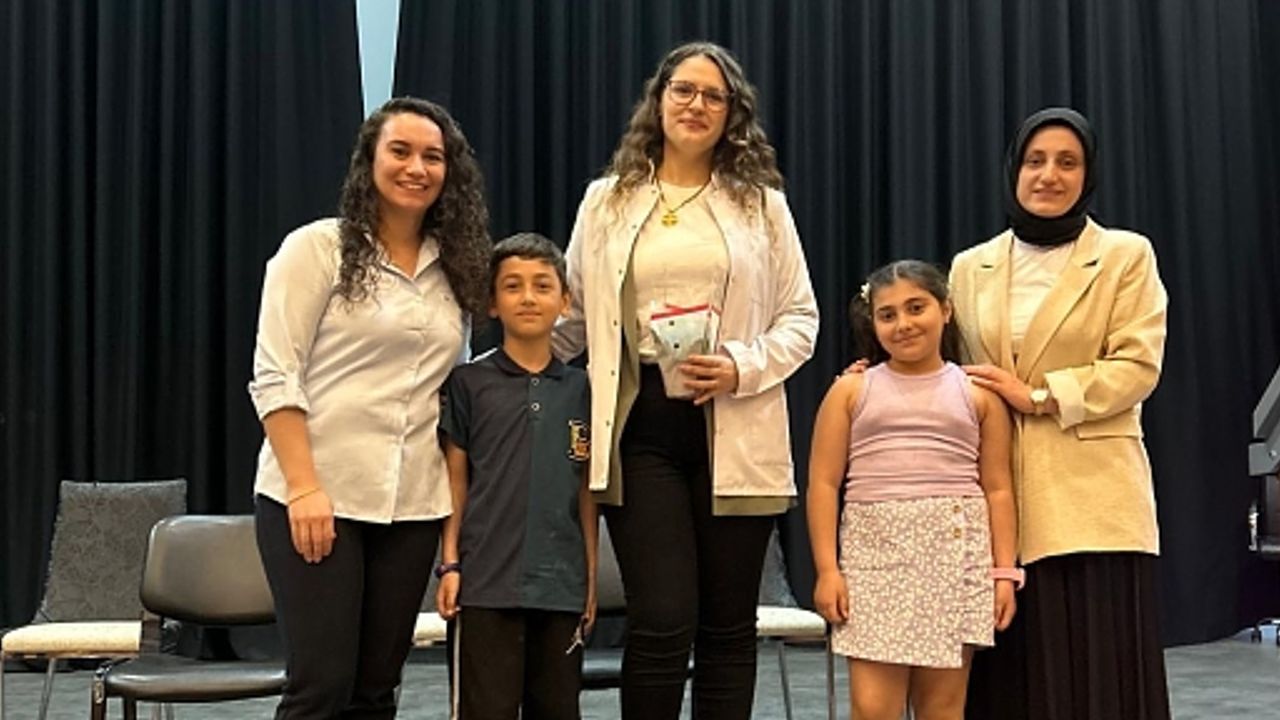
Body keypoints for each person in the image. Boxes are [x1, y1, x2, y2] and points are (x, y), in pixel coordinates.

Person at [551, 41, 819, 720]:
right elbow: (572, 319)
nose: (697, 105)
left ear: (732, 113)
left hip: (736, 421)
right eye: (684, 90)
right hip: (640, 426)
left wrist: (740, 366)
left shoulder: (762, 206)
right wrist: (493, 369)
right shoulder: (606, 201)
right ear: (659, 99)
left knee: (728, 626)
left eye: (713, 96)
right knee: (663, 617)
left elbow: (801, 320)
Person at [248, 96, 491, 718]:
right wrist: (304, 488)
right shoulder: (316, 249)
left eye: (433, 157)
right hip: (318, 495)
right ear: (370, 160)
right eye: (400, 151)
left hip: (412, 505)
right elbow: (275, 375)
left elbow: (454, 384)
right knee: (321, 688)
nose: (417, 168)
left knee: (376, 692)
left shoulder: (457, 269)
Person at [952, 107, 1171, 720]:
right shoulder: (971, 266)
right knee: (1010, 681)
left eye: (1067, 162)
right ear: (1014, 170)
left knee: (1092, 678)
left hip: (1091, 502)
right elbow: (945, 365)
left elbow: (1137, 367)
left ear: (1088, 174)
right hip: (996, 502)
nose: (1049, 175)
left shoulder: (1126, 255)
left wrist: (1039, 397)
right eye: (1036, 160)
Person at [808, 260, 1017, 720]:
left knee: (942, 707)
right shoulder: (850, 391)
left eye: (916, 307)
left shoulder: (979, 394)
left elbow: (998, 488)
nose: (903, 324)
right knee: (873, 708)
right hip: (874, 561)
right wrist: (827, 569)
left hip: (956, 560)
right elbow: (823, 483)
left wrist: (1004, 573)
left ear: (946, 310)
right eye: (888, 315)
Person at [435, 233, 599, 720]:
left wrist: (589, 578)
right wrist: (450, 564)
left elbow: (586, 492)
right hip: (485, 584)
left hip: (561, 586)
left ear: (565, 301)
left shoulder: (583, 389)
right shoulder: (468, 383)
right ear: (492, 302)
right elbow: (455, 481)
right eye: (512, 286)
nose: (528, 297)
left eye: (542, 285)